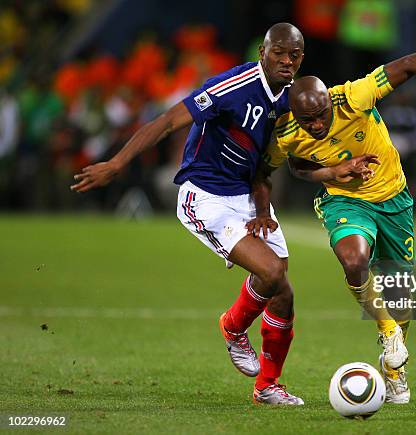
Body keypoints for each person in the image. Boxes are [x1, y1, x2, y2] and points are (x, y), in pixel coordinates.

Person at [71, 23, 308, 405]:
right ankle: (233, 327)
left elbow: (264, 166)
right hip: (206, 197)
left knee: (283, 294)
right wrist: (116, 163)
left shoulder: (290, 100)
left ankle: (267, 386)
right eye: (278, 52)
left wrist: (265, 207)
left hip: (246, 196)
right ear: (262, 51)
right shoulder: (233, 87)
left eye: (293, 55)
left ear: (301, 59)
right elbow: (166, 122)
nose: (285, 60)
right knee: (272, 272)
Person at [247, 52, 416, 403]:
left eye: (322, 115)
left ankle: (394, 372)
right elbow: (282, 168)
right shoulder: (287, 131)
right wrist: (330, 174)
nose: (318, 125)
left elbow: (411, 62)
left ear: (329, 102)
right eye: (309, 121)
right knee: (354, 261)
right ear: (295, 115)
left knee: (399, 297)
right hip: (346, 202)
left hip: (394, 200)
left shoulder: (354, 97)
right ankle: (387, 332)